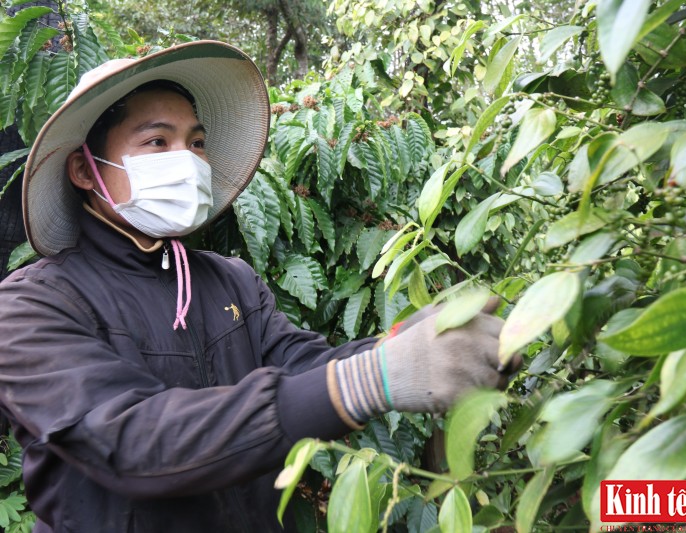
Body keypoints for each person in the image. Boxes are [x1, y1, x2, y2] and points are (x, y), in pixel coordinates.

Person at [0, 41, 515, 532]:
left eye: (196, 143)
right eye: (157, 142)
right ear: (84, 171)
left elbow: (304, 364)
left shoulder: (231, 281)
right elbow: (133, 439)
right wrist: (373, 379)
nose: (188, 160)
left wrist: (403, 344)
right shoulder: (31, 307)